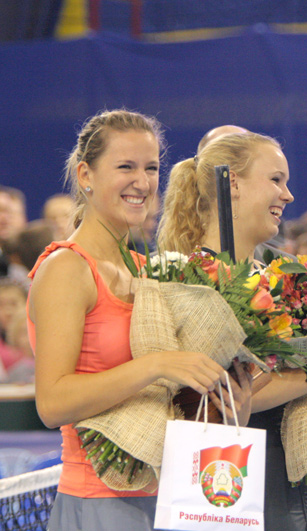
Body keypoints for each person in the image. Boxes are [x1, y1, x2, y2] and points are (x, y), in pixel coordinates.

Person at [158, 131, 307, 531]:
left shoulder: (275, 275)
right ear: (232, 183)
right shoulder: (191, 280)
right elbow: (233, 391)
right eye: (275, 179)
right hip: (242, 493)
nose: (287, 195)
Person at [26, 109, 234, 529]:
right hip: (99, 505)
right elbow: (52, 403)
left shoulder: (146, 268)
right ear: (86, 174)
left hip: (169, 495)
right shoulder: (66, 268)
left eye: (151, 167)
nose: (142, 182)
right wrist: (157, 364)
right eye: (126, 167)